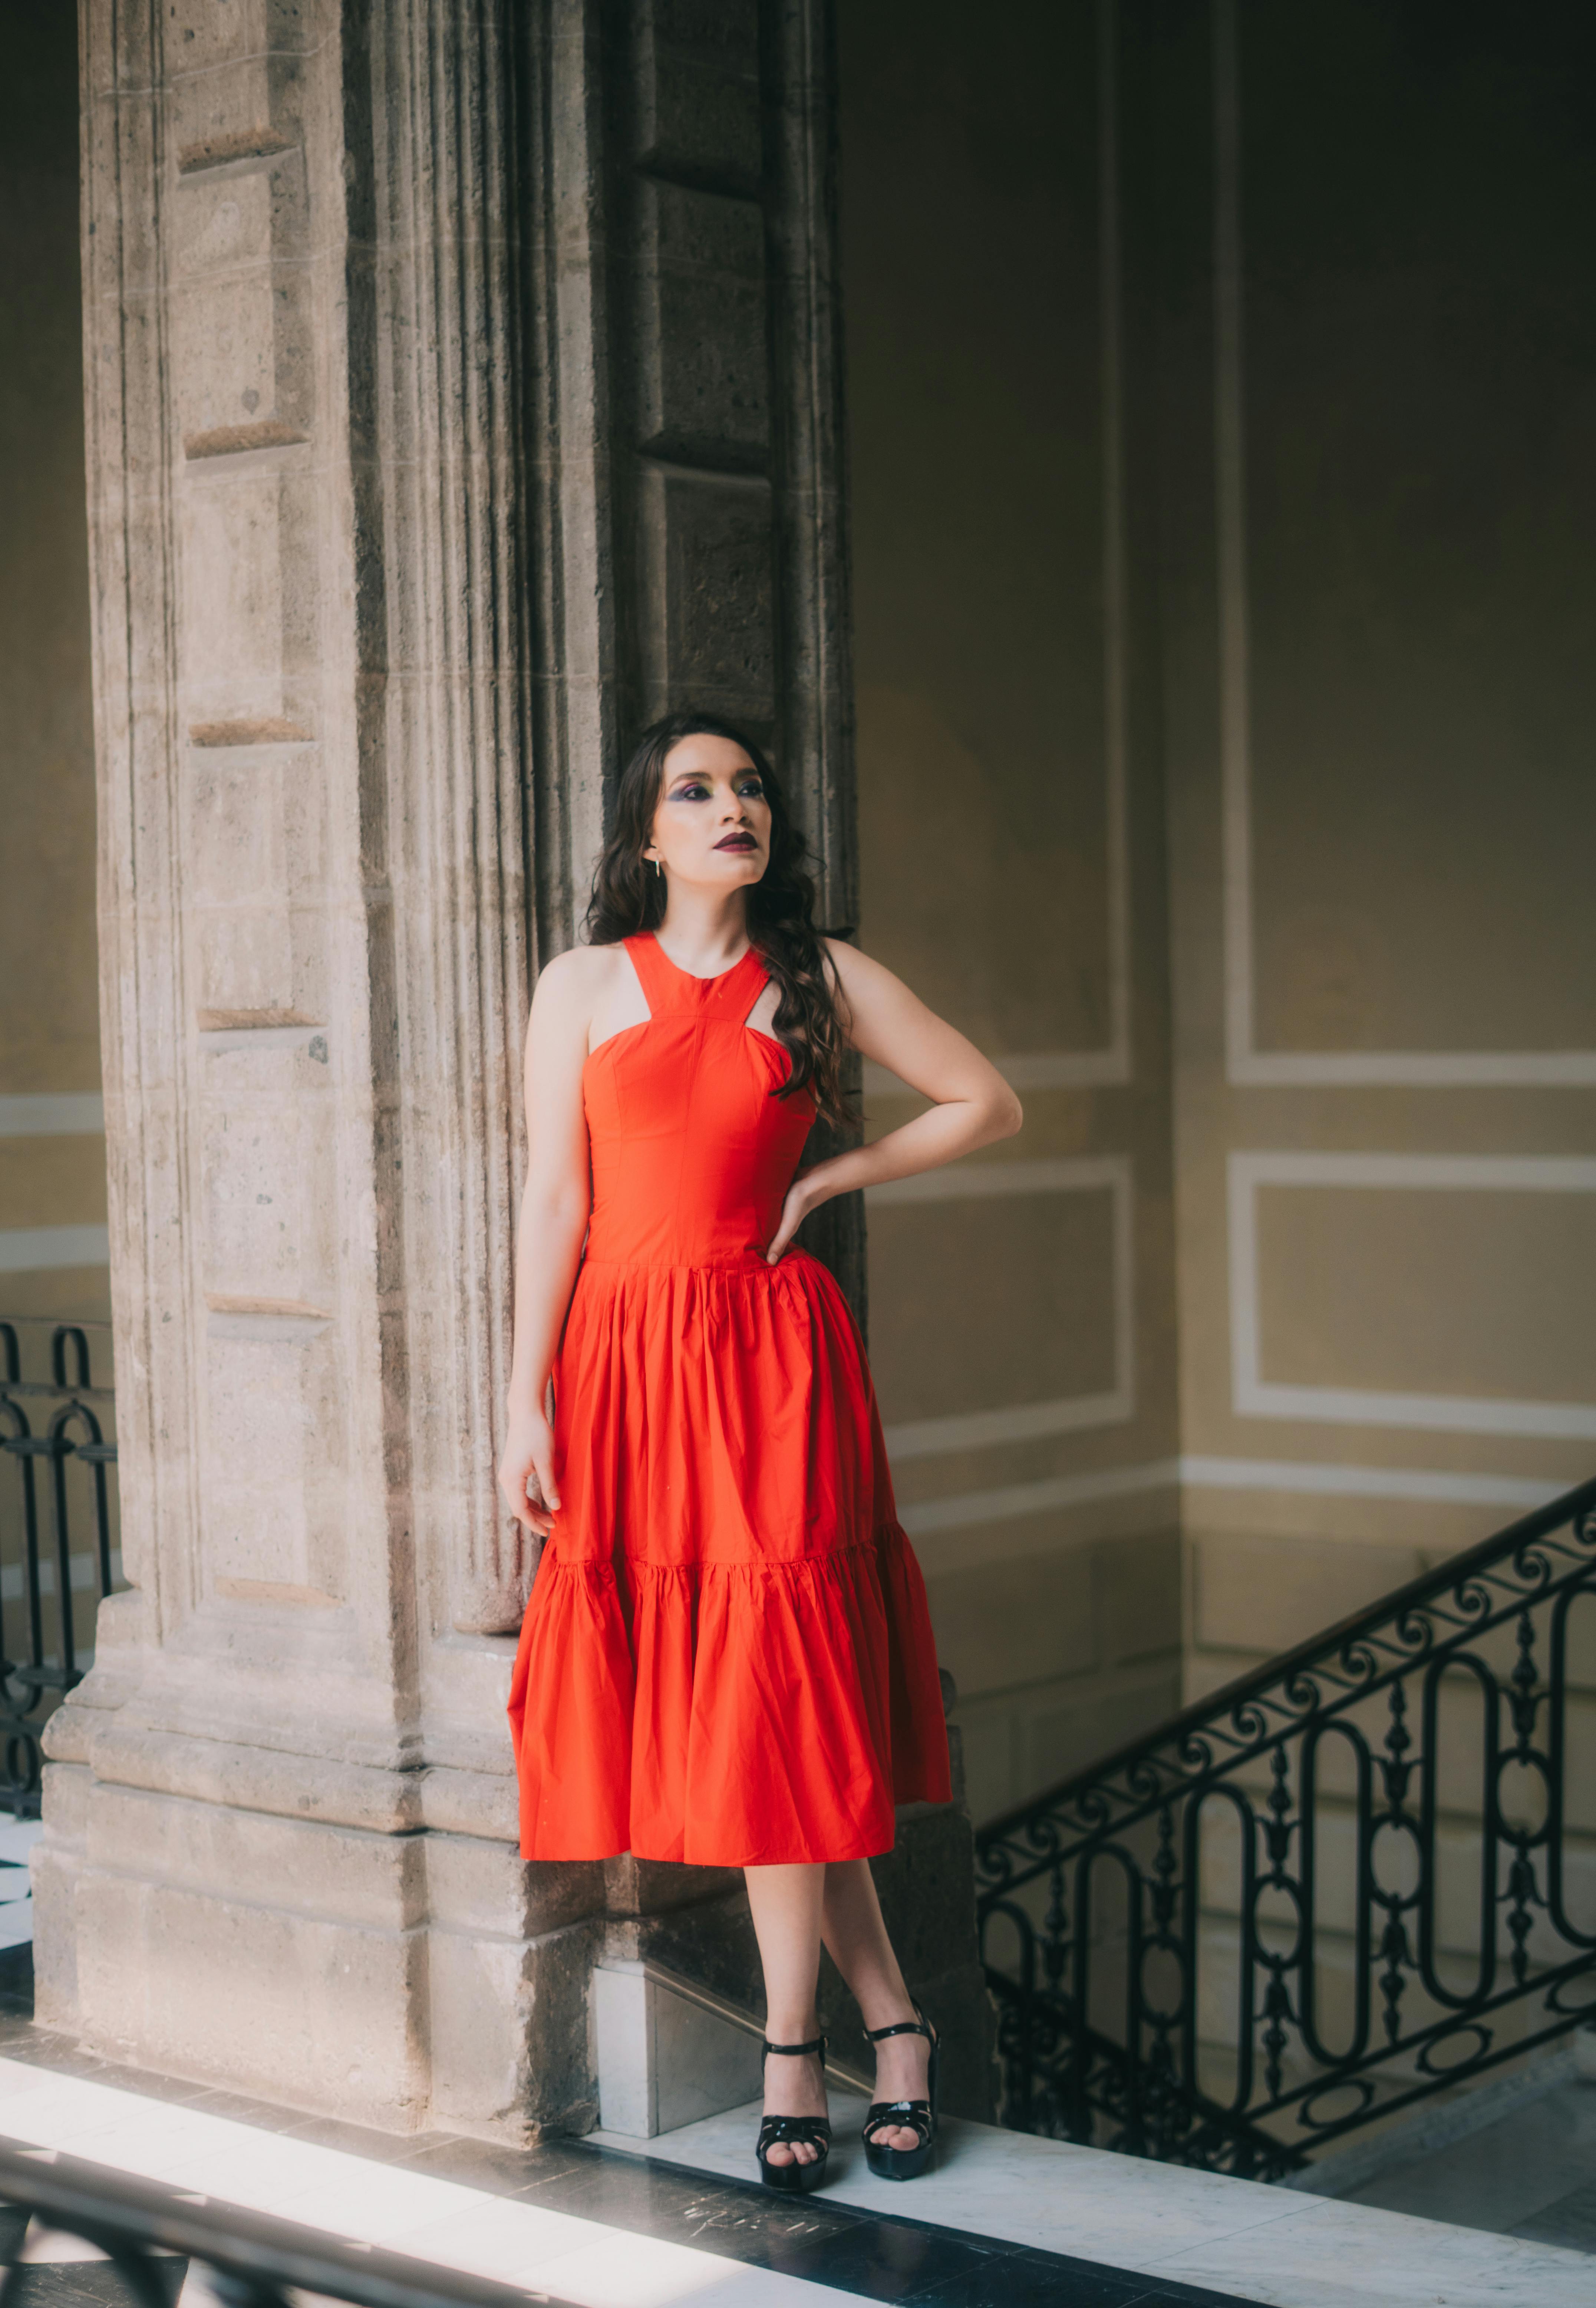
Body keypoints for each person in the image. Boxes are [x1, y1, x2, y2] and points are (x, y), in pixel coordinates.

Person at [499, 711, 1021, 2192]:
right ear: (647, 834)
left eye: (750, 788)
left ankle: (793, 2051)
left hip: (768, 1365)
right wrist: (521, 1394)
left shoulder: (823, 977)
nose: (734, 806)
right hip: (624, 1366)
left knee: (765, 1702)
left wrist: (837, 1172)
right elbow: (554, 1197)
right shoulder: (582, 984)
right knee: (755, 1721)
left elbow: (989, 1099)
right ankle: (896, 2029)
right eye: (697, 789)